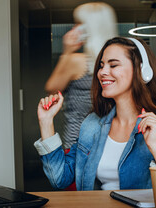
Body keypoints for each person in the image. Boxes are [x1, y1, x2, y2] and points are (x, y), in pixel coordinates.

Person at [34, 37, 156, 191]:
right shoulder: (92, 124)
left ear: (142, 72)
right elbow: (59, 179)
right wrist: (46, 122)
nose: (102, 72)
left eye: (113, 65)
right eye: (101, 65)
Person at [44, 2, 117, 150]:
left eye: (78, 24)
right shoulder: (119, 64)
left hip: (77, 144)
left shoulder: (76, 61)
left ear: (89, 28)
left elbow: (51, 89)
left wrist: (66, 52)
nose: (74, 29)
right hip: (111, 142)